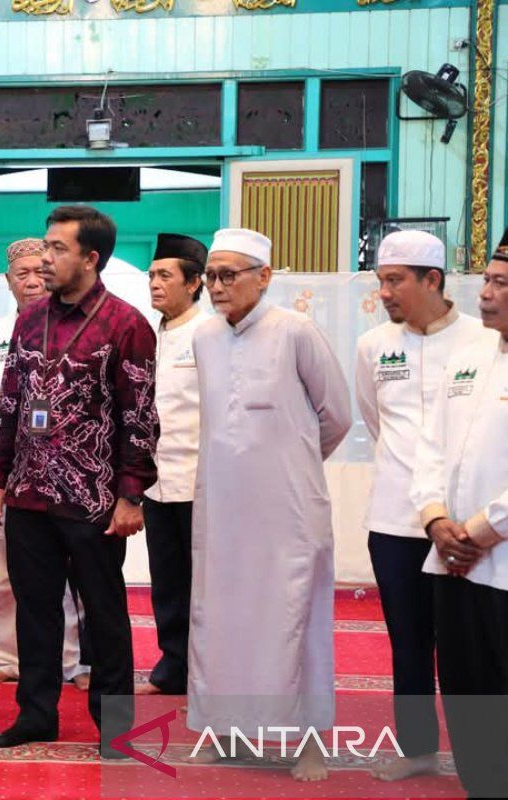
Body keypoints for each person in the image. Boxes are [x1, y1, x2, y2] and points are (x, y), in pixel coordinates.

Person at [0, 205, 159, 755]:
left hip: (94, 499)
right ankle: (36, 714)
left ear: (91, 257)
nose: (45, 258)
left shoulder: (126, 324)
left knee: (104, 612)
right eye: (45, 246)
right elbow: (11, 403)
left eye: (58, 249)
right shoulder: (30, 320)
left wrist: (132, 495)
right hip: (30, 493)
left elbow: (141, 417)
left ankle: (115, 726)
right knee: (35, 609)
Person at [186, 228, 351, 782]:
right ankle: (221, 727)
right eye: (210, 276)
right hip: (222, 505)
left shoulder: (296, 331)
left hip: (288, 508)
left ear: (265, 277)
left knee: (294, 614)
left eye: (228, 276)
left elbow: (337, 416)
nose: (216, 287)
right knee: (219, 615)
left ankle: (309, 741)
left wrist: (291, 461)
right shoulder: (204, 337)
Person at [353, 229, 482, 782]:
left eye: (396, 281)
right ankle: (417, 749)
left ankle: (487, 750)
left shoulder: (482, 342)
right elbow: (374, 419)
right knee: (408, 645)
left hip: (466, 524)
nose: (384, 292)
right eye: (381, 280)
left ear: (433, 280)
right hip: (393, 520)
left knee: (471, 646)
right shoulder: (373, 346)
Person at [410, 227, 508, 798]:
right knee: (467, 687)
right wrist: (435, 519)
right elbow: (430, 445)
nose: (485, 294)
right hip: (452, 562)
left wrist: (479, 529)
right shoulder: (469, 355)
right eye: (486, 282)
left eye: (500, 284)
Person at [0, 237, 90, 692]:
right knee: (1, 572)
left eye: (40, 273)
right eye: (21, 274)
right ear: (8, 282)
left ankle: (71, 661)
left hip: (64, 471)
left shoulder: (74, 328)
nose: (32, 282)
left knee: (63, 574)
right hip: (2, 473)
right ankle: (7, 657)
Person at [139, 233, 209, 697]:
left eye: (166, 275)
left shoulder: (210, 334)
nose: (154, 284)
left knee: (203, 588)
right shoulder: (149, 335)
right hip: (156, 481)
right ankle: (172, 668)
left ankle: (207, 676)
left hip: (201, 483)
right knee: (166, 582)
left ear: (195, 282)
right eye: (151, 275)